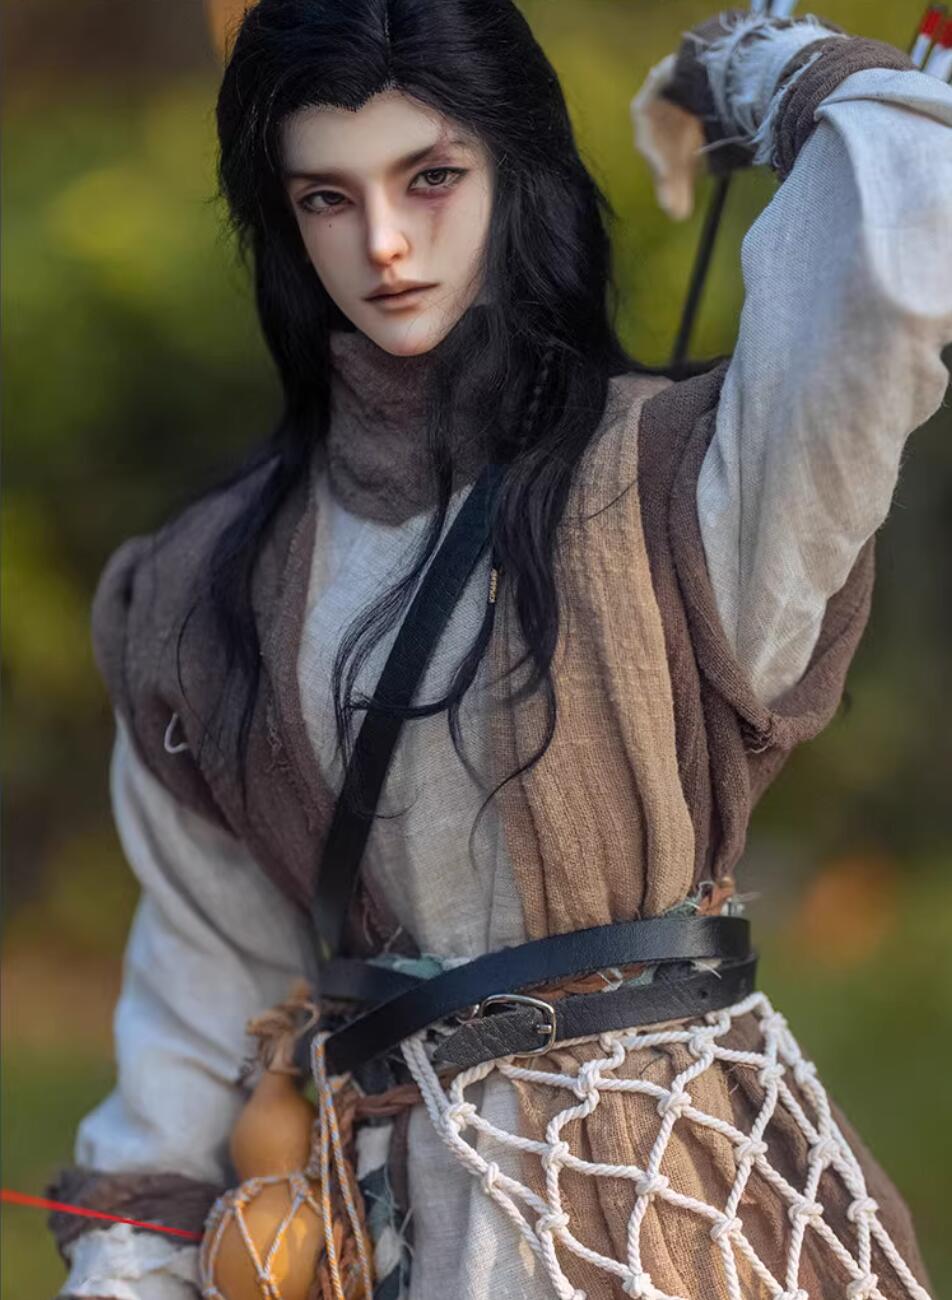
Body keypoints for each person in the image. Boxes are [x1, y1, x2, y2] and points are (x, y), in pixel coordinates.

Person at [47, 2, 952, 1298]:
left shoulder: (684, 489)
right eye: (326, 197)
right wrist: (133, 1266)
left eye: (430, 177)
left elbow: (906, 246)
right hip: (384, 1239)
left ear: (512, 171)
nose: (385, 242)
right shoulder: (207, 592)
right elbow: (202, 995)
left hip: (674, 1220)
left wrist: (759, 68)